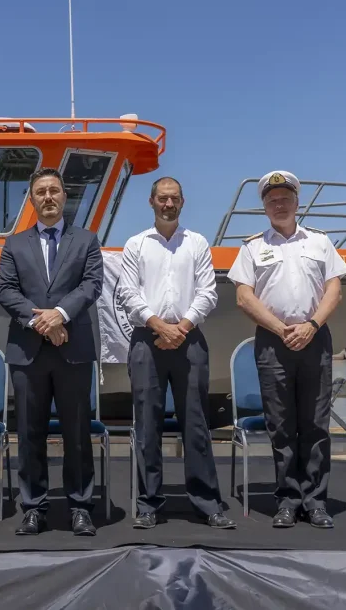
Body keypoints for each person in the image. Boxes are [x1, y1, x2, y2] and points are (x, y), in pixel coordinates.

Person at [227, 170, 346, 529]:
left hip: (315, 339)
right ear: (264, 207)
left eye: (285, 199)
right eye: (271, 200)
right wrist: (282, 329)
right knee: (281, 427)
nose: (279, 204)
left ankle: (315, 501)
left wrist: (311, 326)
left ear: (298, 202)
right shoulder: (252, 247)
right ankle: (286, 500)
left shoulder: (320, 242)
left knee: (315, 425)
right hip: (273, 341)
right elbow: (243, 296)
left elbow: (334, 291)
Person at [117, 177, 236, 530]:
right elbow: (127, 294)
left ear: (182, 202)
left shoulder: (197, 243)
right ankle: (149, 504)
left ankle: (207, 502)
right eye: (162, 199)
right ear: (151, 201)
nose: (168, 204)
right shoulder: (136, 244)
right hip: (146, 340)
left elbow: (208, 292)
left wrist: (180, 328)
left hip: (190, 338)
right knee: (148, 425)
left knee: (196, 424)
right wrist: (159, 326)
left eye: (174, 199)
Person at [0, 167, 104, 536]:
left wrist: (59, 315)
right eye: (40, 191)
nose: (48, 197)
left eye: (54, 190)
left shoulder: (87, 240)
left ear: (64, 195)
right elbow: (6, 291)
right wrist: (40, 322)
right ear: (32, 198)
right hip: (28, 351)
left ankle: (80, 507)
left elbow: (92, 284)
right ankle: (33, 507)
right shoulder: (14, 244)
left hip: (73, 348)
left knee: (77, 432)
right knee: (29, 432)